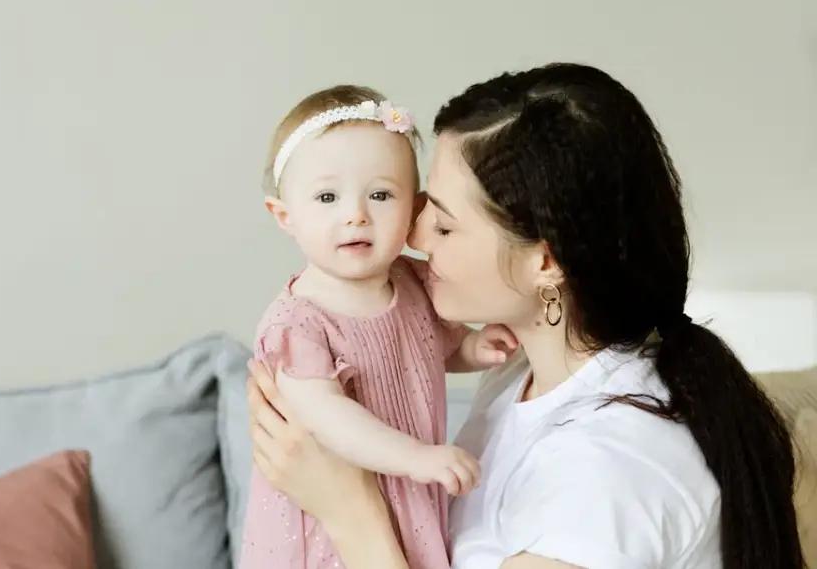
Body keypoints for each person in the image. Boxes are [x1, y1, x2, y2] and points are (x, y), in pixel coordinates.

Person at [245, 64, 803, 569]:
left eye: (441, 224)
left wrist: (349, 510)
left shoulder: (607, 476)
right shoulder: (523, 373)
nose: (411, 238)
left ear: (544, 260)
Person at [240, 85, 520, 569]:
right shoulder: (297, 324)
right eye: (327, 196)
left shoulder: (413, 282)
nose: (356, 214)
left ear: (414, 210)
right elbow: (325, 417)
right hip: (330, 514)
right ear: (285, 216)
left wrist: (471, 348)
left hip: (406, 496)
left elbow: (427, 350)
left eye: (380, 194)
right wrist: (416, 457)